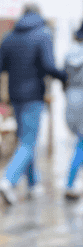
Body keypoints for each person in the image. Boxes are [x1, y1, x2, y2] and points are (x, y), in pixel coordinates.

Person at [0, 4, 67, 204]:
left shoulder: (9, 37)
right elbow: (50, 66)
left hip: (15, 98)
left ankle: (33, 185)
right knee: (28, 141)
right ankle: (8, 181)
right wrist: (66, 77)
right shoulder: (43, 34)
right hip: (34, 96)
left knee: (26, 138)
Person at [64, 23, 83, 200]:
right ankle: (70, 183)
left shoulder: (71, 52)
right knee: (81, 144)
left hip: (72, 97)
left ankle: (71, 182)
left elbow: (64, 77)